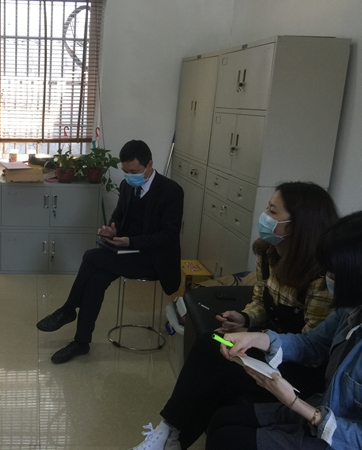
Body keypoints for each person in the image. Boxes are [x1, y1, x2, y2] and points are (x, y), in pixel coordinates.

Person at [129, 181, 339, 450]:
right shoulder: (269, 252)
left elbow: (311, 347)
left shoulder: (321, 276)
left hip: (295, 365)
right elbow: (259, 301)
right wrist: (245, 319)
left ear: (298, 224)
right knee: (213, 343)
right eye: (268, 208)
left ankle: (170, 436)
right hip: (268, 342)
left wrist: (255, 337)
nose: (265, 216)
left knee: (216, 361)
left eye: (273, 211)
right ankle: (169, 433)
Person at [207, 211, 362, 450]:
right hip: (319, 410)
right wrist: (258, 338)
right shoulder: (351, 310)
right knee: (221, 419)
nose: (328, 278)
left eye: (334, 272)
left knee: (228, 439)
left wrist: (295, 403)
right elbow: (312, 344)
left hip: (336, 437)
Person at [36, 139, 184, 364]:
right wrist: (112, 229)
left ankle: (68, 309)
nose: (129, 176)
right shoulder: (127, 186)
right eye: (125, 171)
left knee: (91, 257)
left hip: (154, 260)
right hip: (125, 253)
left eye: (133, 172)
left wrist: (131, 242)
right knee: (95, 281)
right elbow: (119, 215)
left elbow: (168, 235)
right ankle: (81, 342)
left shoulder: (171, 191)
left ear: (149, 165)